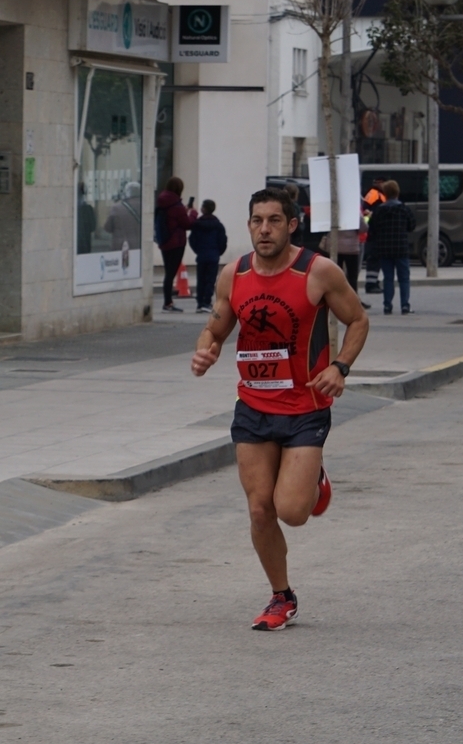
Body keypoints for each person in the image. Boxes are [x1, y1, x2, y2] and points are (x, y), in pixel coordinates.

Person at [190, 188, 370, 631]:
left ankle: (313, 479)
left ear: (291, 225)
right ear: (249, 225)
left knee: (291, 511)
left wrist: (340, 367)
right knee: (259, 510)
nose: (264, 229)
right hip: (253, 406)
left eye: (274, 220)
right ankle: (281, 596)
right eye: (257, 220)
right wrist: (206, 351)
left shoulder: (317, 271)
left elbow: (358, 320)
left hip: (305, 406)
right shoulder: (234, 274)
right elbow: (215, 328)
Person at [366, 178, 416, 315]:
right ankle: (405, 305)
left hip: (384, 249)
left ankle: (387, 305)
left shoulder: (379, 211)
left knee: (388, 278)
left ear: (385, 193)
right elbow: (412, 225)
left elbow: (372, 228)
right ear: (397, 192)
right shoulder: (403, 209)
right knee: (404, 278)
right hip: (401, 248)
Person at [156, 177, 196, 312]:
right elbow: (187, 224)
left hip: (164, 241)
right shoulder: (177, 206)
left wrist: (183, 211)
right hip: (176, 243)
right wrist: (193, 213)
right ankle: (168, 303)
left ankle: (168, 301)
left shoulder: (163, 202)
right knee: (170, 273)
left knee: (168, 272)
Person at [188, 199, 229, 312]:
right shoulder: (218, 225)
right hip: (213, 256)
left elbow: (192, 240)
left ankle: (200, 302)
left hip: (201, 256)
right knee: (210, 280)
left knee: (200, 279)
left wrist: (198, 250)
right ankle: (207, 301)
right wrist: (218, 252)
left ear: (203, 209)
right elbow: (223, 241)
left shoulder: (197, 224)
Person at [105, 180, 144, 263]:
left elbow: (107, 228)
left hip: (121, 246)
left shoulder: (117, 208)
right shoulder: (145, 207)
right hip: (141, 245)